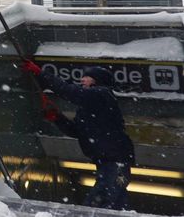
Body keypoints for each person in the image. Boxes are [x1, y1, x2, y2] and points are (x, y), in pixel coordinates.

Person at [24, 60, 135, 210]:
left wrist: (42, 74)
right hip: (107, 163)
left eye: (87, 77)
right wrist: (57, 117)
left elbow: (70, 91)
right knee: (113, 197)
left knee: (103, 198)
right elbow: (77, 131)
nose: (82, 80)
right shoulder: (88, 108)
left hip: (117, 162)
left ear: (97, 80)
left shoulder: (102, 94)